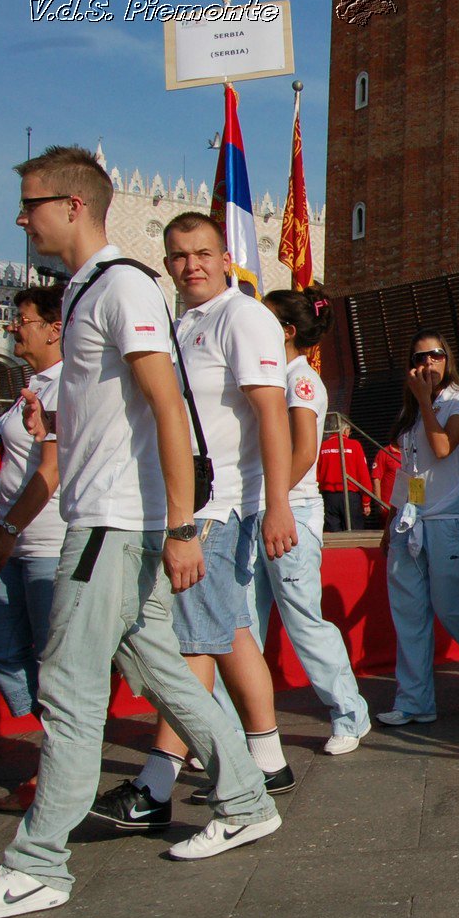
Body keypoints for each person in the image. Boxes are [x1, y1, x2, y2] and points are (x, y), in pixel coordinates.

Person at [0, 147, 278, 918]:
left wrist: (181, 525)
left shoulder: (121, 286)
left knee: (70, 686)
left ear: (73, 206)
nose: (21, 216)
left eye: (31, 201)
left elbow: (168, 405)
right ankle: (245, 799)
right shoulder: (87, 291)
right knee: (168, 674)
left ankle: (40, 863)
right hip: (111, 516)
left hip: (115, 522)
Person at [92, 211, 300, 826]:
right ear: (166, 262)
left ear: (225, 256)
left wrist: (277, 503)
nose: (193, 265)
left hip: (216, 506)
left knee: (190, 643)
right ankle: (268, 761)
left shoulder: (244, 317)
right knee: (229, 632)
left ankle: (157, 784)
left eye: (204, 253)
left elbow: (271, 412)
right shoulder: (184, 324)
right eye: (180, 256)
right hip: (193, 504)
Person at [256, 290, 372, 755]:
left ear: (285, 331)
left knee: (303, 619)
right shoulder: (268, 376)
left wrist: (276, 499)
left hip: (291, 510)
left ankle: (350, 712)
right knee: (241, 624)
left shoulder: (301, 379)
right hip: (260, 507)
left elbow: (305, 452)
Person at [378, 330, 459, 726]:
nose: (427, 363)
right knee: (409, 613)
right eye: (419, 358)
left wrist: (423, 399)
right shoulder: (413, 411)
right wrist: (390, 521)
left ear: (446, 358)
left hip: (446, 520)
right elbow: (410, 471)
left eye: (435, 355)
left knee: (457, 610)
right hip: (409, 519)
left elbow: (442, 448)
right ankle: (413, 700)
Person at [0, 285, 66, 812]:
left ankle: (58, 763)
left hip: (44, 543)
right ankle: (65, 741)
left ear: (54, 328)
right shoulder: (32, 385)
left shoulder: (60, 387)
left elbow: (50, 473)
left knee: (51, 662)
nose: (14, 328)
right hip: (15, 541)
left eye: (22, 320)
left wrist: (5, 528)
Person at [318, 420, 372, 531]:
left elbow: (317, 475)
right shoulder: (355, 445)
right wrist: (366, 501)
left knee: (333, 536)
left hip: (329, 497)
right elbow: (363, 475)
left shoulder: (323, 447)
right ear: (346, 430)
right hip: (351, 496)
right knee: (355, 534)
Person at [370, 439, 402, 526]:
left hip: (408, 506)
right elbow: (376, 478)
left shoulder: (411, 452)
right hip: (388, 507)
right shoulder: (384, 452)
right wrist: (378, 503)